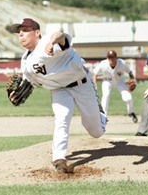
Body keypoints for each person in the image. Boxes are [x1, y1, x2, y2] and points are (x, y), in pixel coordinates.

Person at [9, 18, 107, 173]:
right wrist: (18, 92)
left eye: (25, 30)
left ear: (37, 33)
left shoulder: (47, 43)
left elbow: (61, 36)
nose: (21, 34)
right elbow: (30, 83)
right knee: (61, 118)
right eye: (19, 31)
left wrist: (52, 41)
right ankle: (59, 158)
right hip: (59, 90)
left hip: (81, 84)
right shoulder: (25, 60)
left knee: (96, 132)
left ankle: (100, 113)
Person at [92, 50, 138, 123]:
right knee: (106, 96)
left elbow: (130, 72)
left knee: (128, 97)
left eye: (112, 57)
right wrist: (94, 83)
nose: (111, 59)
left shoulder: (122, 63)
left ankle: (131, 112)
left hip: (120, 81)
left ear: (116, 57)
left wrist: (132, 79)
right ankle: (104, 116)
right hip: (107, 81)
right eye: (109, 57)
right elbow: (94, 73)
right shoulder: (103, 64)